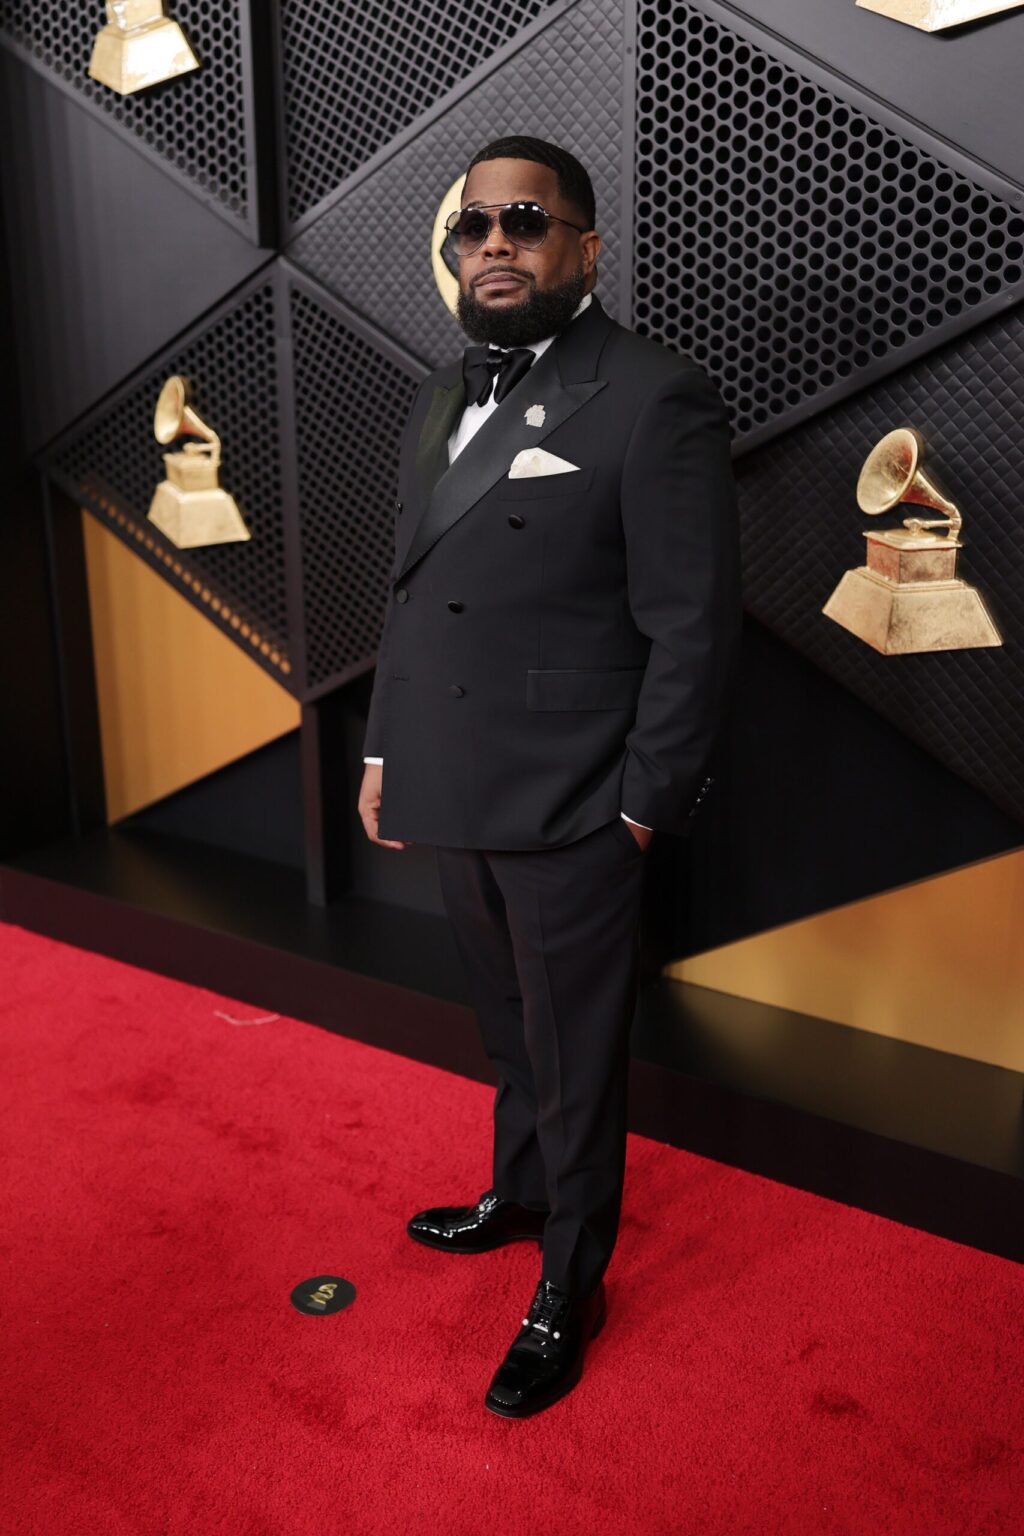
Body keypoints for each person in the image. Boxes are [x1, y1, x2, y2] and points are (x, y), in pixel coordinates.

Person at [357, 135, 741, 1418]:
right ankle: (519, 1197)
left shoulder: (652, 393)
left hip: (578, 797)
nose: (497, 245)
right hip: (456, 776)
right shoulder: (436, 388)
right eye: (476, 225)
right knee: (507, 1027)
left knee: (578, 1055)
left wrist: (641, 805)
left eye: (527, 222)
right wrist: (381, 743)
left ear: (586, 244)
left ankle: (569, 1280)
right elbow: (413, 594)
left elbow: (691, 624)